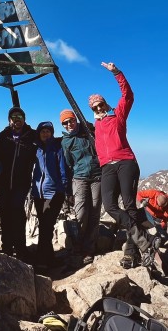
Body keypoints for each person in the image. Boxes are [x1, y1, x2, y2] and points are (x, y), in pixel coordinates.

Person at [90, 62, 160, 268]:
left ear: (105, 104)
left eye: (100, 104)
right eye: (95, 107)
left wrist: (116, 73)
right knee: (110, 205)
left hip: (126, 162)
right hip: (107, 167)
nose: (99, 108)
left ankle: (132, 252)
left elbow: (128, 95)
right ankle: (145, 238)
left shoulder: (116, 116)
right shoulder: (95, 126)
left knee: (129, 206)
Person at [0, 107, 37, 262]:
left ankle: (20, 248)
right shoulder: (3, 136)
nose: (16, 119)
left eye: (19, 116)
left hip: (21, 183)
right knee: (5, 215)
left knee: (18, 214)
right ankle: (7, 247)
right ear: (9, 120)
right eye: (13, 117)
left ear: (24, 119)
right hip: (3, 183)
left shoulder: (31, 136)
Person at [60, 109, 102, 265]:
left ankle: (88, 248)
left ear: (76, 120)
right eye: (65, 123)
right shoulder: (66, 142)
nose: (69, 124)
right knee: (82, 212)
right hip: (80, 177)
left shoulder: (88, 131)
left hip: (97, 176)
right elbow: (69, 162)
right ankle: (79, 243)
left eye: (71, 120)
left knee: (95, 210)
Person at [32, 121, 71, 270]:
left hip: (54, 193)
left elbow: (63, 170)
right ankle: (49, 258)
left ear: (52, 133)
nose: (45, 134)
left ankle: (42, 260)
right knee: (44, 226)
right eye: (43, 131)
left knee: (47, 226)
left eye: (48, 131)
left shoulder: (57, 149)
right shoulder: (36, 149)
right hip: (38, 193)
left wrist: (64, 191)